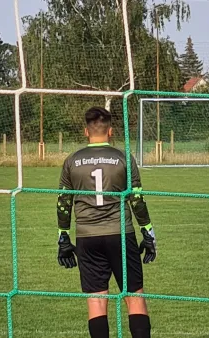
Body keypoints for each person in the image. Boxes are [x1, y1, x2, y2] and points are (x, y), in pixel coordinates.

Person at [56, 107, 156, 338]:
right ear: (110, 131)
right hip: (121, 234)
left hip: (87, 237)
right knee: (134, 296)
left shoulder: (72, 160)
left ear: (86, 131)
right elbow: (137, 199)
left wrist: (63, 236)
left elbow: (63, 202)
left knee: (97, 301)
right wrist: (148, 233)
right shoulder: (123, 158)